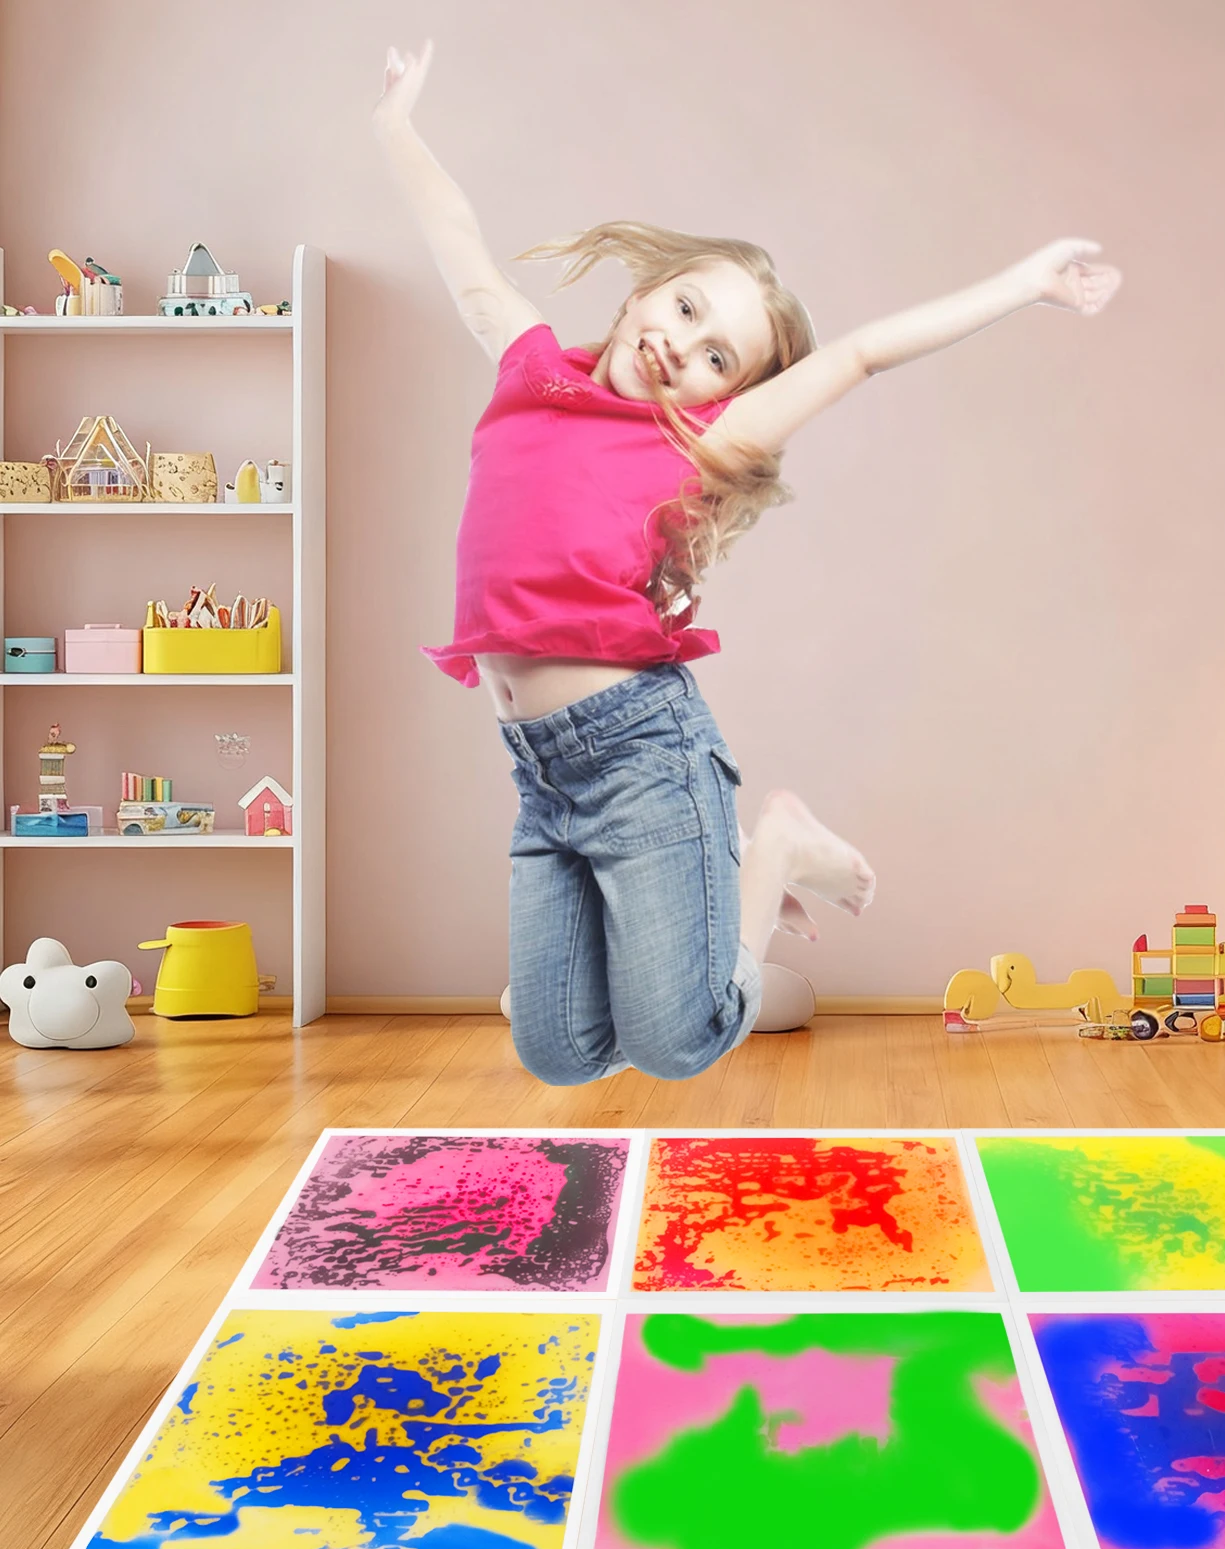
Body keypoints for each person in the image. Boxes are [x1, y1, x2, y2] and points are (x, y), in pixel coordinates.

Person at [373, 41, 1122, 1086]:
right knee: (559, 1053)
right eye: (684, 309)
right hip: (541, 774)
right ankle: (703, 911)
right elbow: (454, 234)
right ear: (646, 292)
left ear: (727, 393)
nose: (685, 345)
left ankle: (770, 848)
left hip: (640, 755)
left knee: (676, 1042)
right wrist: (397, 122)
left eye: (719, 355)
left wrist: (1025, 283)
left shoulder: (701, 441)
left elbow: (859, 354)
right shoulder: (528, 366)